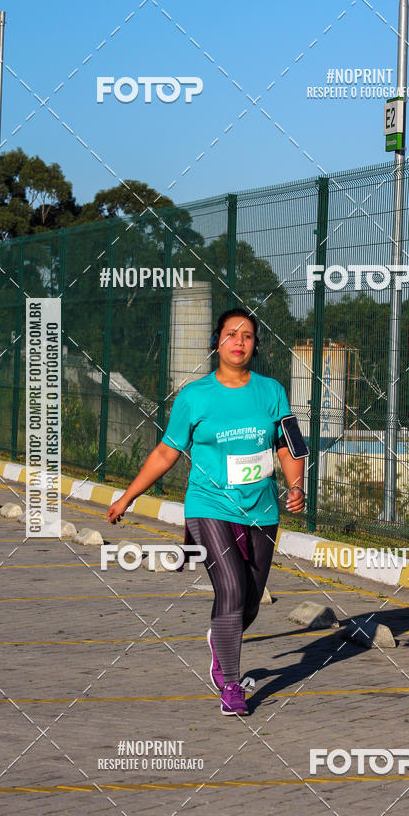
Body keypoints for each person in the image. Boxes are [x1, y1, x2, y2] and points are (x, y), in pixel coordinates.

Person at [107, 307, 306, 716]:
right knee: (231, 589)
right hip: (209, 506)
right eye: (231, 334)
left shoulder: (272, 391)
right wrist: (128, 497)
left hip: (262, 510)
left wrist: (296, 485)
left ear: (255, 345)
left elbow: (289, 445)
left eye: (248, 335)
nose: (239, 341)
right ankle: (231, 684)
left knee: (248, 603)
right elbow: (166, 451)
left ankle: (220, 639)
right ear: (216, 341)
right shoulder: (194, 396)